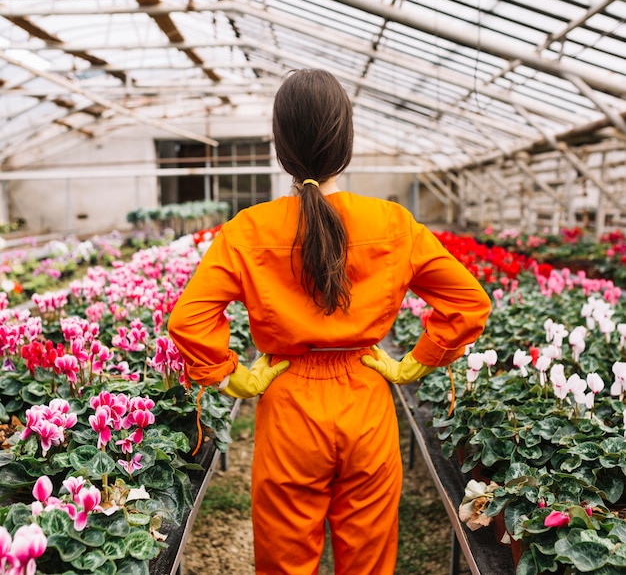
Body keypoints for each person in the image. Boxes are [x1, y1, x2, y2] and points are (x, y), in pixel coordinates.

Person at [167, 68, 491, 575]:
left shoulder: (248, 230)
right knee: (368, 560)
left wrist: (232, 374)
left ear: (280, 147)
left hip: (288, 402)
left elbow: (189, 318)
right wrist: (415, 363)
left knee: (286, 560)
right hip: (367, 399)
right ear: (347, 142)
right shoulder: (392, 224)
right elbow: (468, 303)